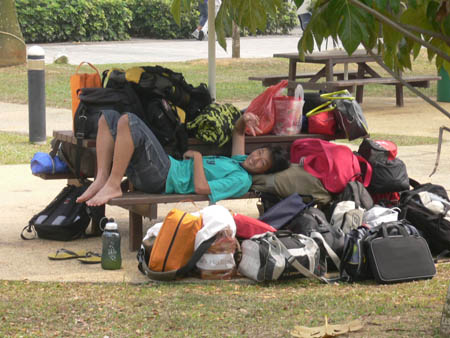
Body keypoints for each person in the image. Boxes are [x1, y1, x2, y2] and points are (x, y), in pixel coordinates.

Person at [76, 110, 290, 206]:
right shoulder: (238, 161)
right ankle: (102, 179)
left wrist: (197, 158)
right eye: (259, 153)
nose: (255, 159)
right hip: (161, 170)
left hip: (164, 177)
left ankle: (114, 184)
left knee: (129, 122)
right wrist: (244, 119)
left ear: (264, 172)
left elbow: (203, 189)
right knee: (109, 117)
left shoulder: (242, 180)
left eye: (262, 163)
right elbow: (238, 133)